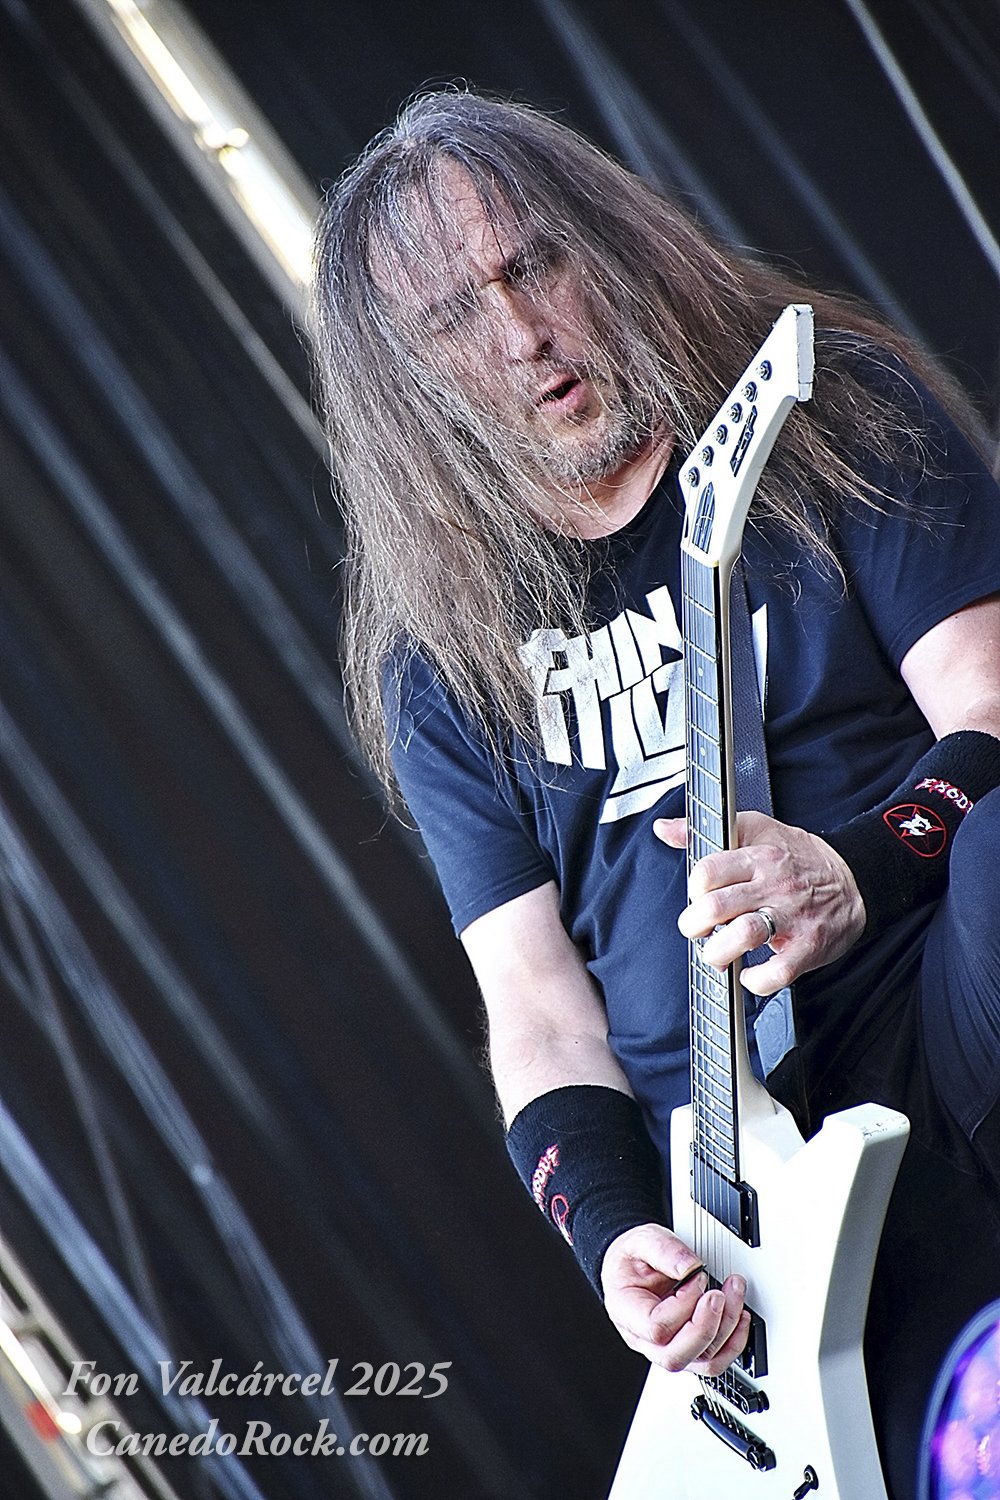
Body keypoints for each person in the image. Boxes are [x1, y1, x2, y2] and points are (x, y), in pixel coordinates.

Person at [309, 89, 1000, 1497]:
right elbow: (536, 1010)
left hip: (941, 995)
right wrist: (618, 1234)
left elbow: (989, 710)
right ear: (408, 386)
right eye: (454, 320)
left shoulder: (828, 417)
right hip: (742, 1200)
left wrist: (864, 866)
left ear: (606, 240)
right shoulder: (444, 658)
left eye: (533, 265)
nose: (522, 335)